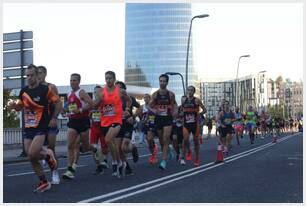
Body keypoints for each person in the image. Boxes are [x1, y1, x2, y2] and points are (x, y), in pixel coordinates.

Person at [8, 64, 62, 192]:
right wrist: (13, 106)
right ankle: (44, 181)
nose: (29, 78)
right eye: (27, 75)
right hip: (28, 127)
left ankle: (48, 155)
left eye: (32, 75)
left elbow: (58, 102)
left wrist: (54, 118)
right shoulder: (24, 91)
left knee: (33, 152)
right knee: (31, 156)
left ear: (37, 75)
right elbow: (20, 106)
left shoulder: (45, 90)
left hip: (41, 126)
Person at [91, 71, 131, 178]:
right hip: (104, 122)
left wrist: (127, 109)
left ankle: (115, 163)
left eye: (110, 78)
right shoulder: (101, 91)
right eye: (106, 78)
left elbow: (129, 100)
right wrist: (98, 101)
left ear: (114, 79)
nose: (108, 80)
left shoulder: (120, 91)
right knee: (111, 144)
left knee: (108, 140)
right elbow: (94, 106)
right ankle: (118, 162)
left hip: (117, 121)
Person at [62, 73, 98, 179]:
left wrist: (81, 110)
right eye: (71, 80)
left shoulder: (81, 92)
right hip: (73, 121)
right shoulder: (69, 94)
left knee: (86, 147)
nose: (72, 82)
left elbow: (91, 103)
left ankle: (94, 149)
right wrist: (65, 111)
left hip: (83, 121)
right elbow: (71, 106)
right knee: (70, 145)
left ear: (79, 82)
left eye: (74, 80)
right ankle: (69, 170)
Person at [36, 65, 61, 184]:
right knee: (37, 149)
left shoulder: (51, 87)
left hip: (50, 121)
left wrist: (54, 118)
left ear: (45, 74)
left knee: (51, 147)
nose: (38, 75)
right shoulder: (34, 88)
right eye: (37, 73)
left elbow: (58, 103)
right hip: (38, 123)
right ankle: (45, 157)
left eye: (40, 73)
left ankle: (55, 172)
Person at [148, 74, 178, 170]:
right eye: (161, 81)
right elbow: (149, 106)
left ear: (167, 82)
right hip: (158, 118)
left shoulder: (171, 94)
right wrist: (154, 111)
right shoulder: (155, 94)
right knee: (161, 140)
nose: (162, 83)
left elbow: (176, 105)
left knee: (166, 138)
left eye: (164, 81)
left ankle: (163, 161)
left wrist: (175, 112)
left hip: (168, 118)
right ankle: (168, 149)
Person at [115, 81, 139, 177]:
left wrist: (133, 117)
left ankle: (133, 148)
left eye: (120, 88)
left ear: (124, 89)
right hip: (116, 125)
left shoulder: (129, 98)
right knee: (118, 149)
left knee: (124, 147)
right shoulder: (113, 99)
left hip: (127, 124)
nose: (118, 90)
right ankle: (127, 166)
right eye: (116, 88)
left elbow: (139, 108)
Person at [180, 86, 207, 167]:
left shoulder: (197, 100)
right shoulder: (183, 99)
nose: (190, 91)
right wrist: (182, 114)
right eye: (188, 90)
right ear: (186, 91)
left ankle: (197, 158)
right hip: (186, 123)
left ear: (194, 92)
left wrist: (199, 114)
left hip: (195, 124)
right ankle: (185, 155)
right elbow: (182, 109)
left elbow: (205, 110)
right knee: (185, 140)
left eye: (191, 90)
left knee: (195, 142)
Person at [89, 85, 109, 175]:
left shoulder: (105, 103)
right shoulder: (92, 103)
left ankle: (104, 160)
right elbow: (87, 113)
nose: (96, 94)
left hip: (103, 127)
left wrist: (100, 113)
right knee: (93, 148)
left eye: (98, 92)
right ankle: (98, 166)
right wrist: (90, 113)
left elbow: (109, 113)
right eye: (95, 92)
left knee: (104, 149)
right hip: (94, 128)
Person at [137, 93, 158, 164]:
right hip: (145, 124)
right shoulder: (142, 107)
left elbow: (156, 113)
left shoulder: (153, 105)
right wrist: (142, 120)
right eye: (144, 98)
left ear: (150, 98)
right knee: (148, 141)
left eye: (147, 97)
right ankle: (153, 154)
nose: (146, 99)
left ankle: (154, 151)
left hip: (152, 124)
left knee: (149, 138)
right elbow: (140, 115)